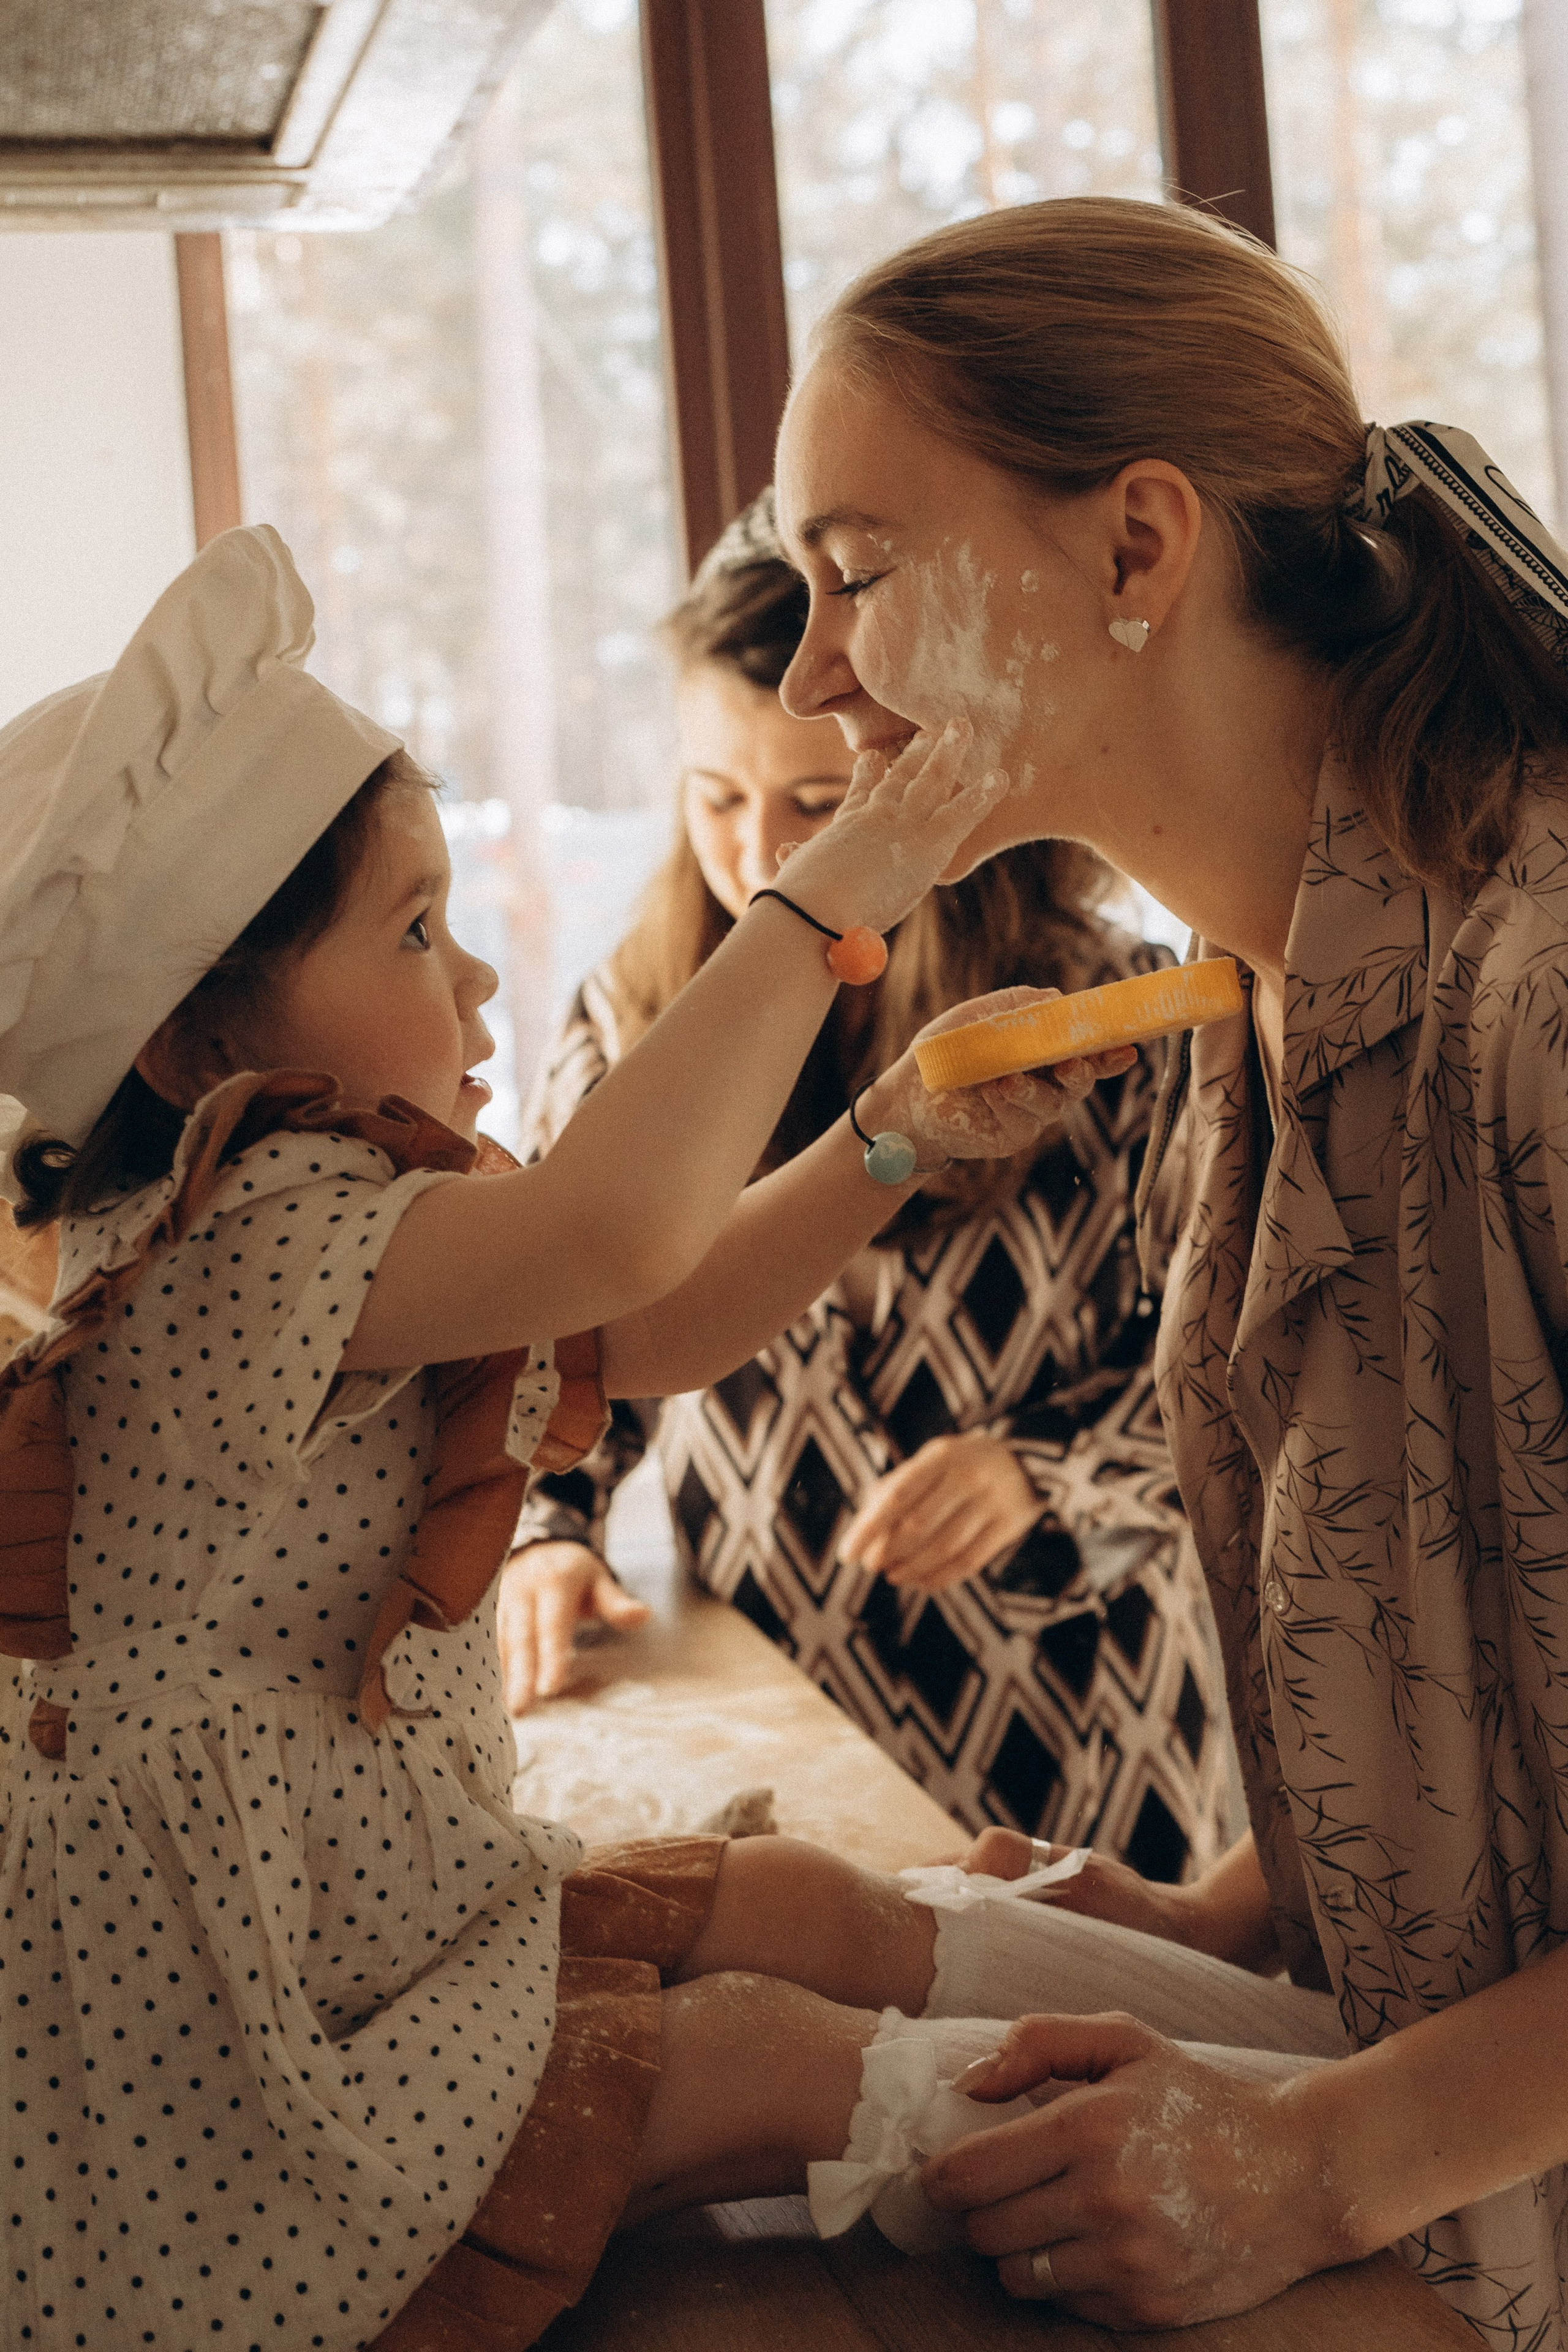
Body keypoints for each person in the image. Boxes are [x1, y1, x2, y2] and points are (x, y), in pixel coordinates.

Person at [0, 521, 1229, 2352]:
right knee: (761, 2049)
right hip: (234, 2042)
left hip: (355, 1911)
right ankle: (1235, 2148)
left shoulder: (309, 1209)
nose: (479, 981)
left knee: (795, 1902)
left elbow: (641, 1329)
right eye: (416, 931)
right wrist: (854, 870)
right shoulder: (237, 1234)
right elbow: (620, 1241)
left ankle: (1265, 2034)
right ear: (191, 1053)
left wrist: (892, 1127)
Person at [768, 190, 1568, 2343]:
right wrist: (1231, 1914)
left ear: (1137, 550)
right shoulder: (1247, 1012)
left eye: (856, 573)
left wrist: (1310, 2158)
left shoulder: (1546, 993)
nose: (817, 674)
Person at [505, 496, 1237, 1882]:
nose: (757, 853)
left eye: (814, 803)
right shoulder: (632, 1019)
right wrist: (550, 1536)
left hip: (1081, 1711)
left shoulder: (1116, 1009)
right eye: (713, 797)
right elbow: (566, 1327)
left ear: (930, 784)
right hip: (782, 1690)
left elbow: (1238, 1360)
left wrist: (1044, 1476)